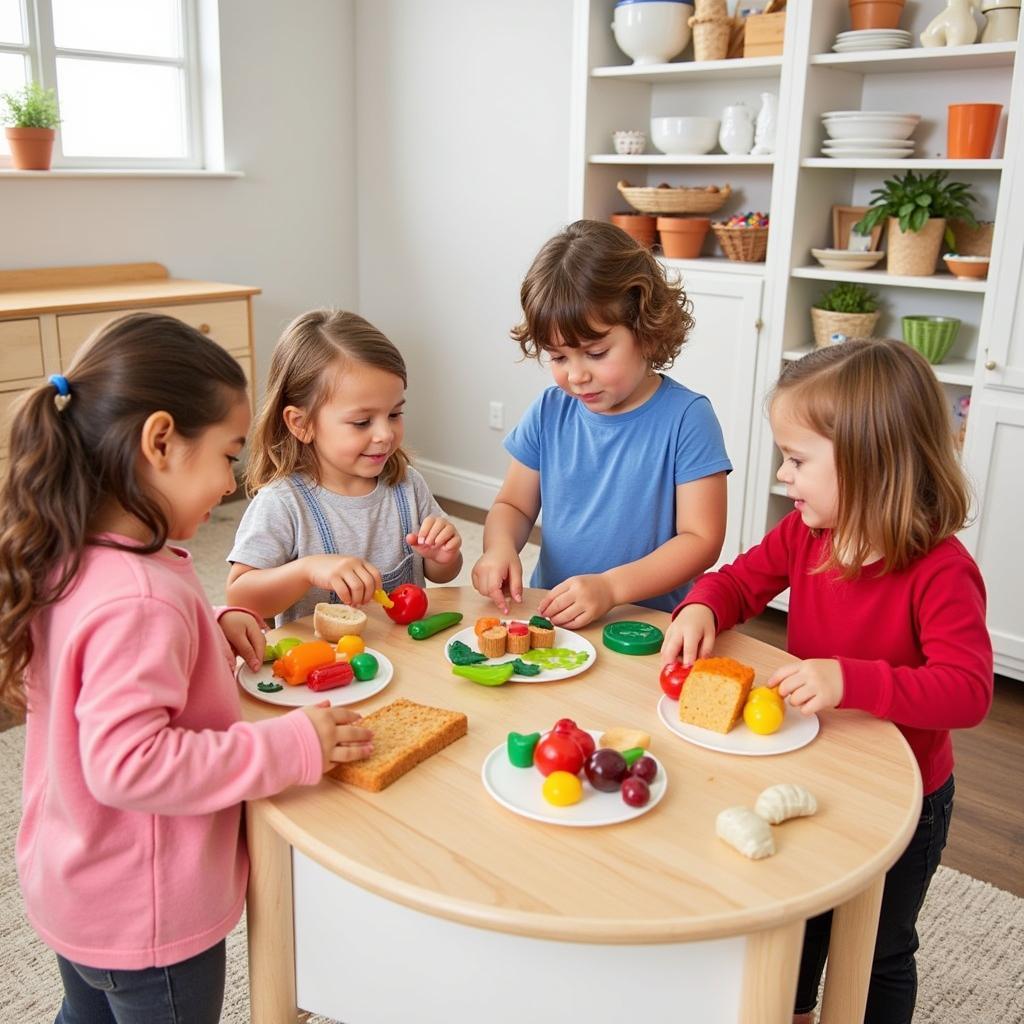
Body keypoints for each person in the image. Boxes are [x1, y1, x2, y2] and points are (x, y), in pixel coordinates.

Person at [0, 313, 373, 1024]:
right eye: (229, 455)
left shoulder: (84, 553)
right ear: (161, 441)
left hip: (76, 880)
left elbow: (102, 674)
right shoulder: (139, 596)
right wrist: (292, 745)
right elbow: (130, 764)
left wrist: (210, 624)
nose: (233, 485)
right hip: (143, 913)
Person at [661, 339, 993, 1024]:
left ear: (872, 461)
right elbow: (738, 580)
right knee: (803, 922)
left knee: (880, 950)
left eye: (798, 459)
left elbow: (967, 690)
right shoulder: (807, 535)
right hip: (815, 773)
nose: (784, 476)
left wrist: (852, 679)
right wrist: (702, 605)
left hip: (906, 797)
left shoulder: (940, 570)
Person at [472, 219, 731, 628]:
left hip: (644, 625)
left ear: (646, 330)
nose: (576, 375)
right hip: (554, 612)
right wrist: (499, 547)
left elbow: (701, 540)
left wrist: (611, 587)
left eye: (595, 353)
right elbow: (513, 505)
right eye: (558, 358)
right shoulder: (550, 409)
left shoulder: (688, 418)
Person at [226, 309, 462, 625]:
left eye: (394, 414)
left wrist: (443, 557)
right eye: (362, 422)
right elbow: (241, 597)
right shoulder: (282, 502)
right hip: (323, 666)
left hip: (404, 657)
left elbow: (442, 573)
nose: (385, 434)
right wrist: (307, 570)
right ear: (302, 423)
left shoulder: (407, 484)